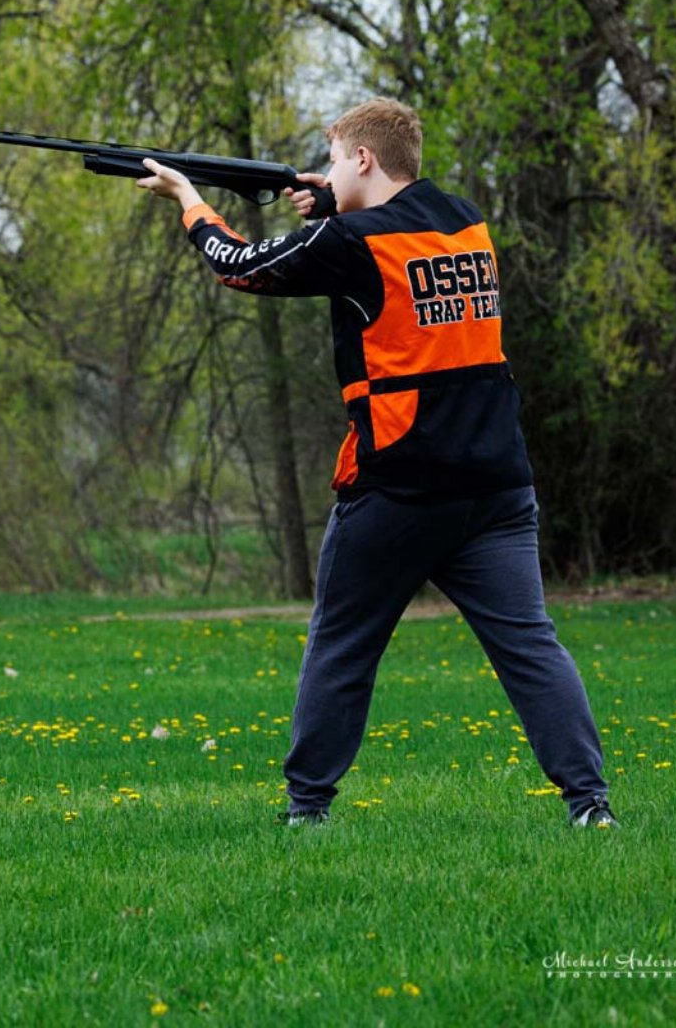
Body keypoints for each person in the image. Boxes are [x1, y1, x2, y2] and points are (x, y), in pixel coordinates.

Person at [137, 97, 618, 831]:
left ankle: (307, 810)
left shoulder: (352, 243)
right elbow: (387, 239)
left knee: (342, 645)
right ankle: (591, 806)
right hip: (496, 484)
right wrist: (328, 201)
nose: (327, 171)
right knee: (529, 647)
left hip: (398, 487)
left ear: (363, 159)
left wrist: (189, 200)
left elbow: (240, 266)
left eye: (335, 159)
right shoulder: (465, 220)